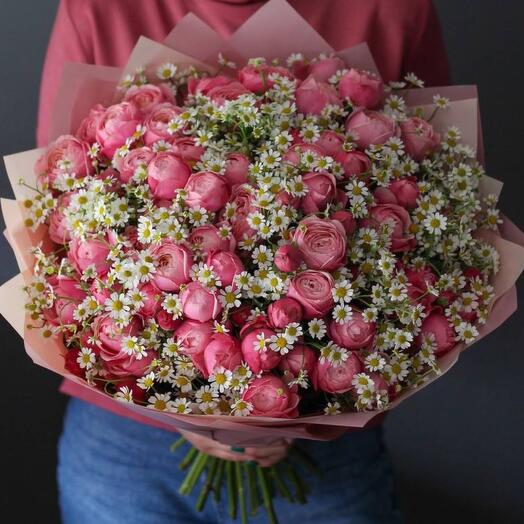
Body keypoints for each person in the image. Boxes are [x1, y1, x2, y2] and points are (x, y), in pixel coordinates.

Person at [37, 1, 449, 522]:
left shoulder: (395, 9)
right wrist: (182, 399)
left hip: (329, 447)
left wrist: (284, 409)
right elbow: (53, 209)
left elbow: (434, 180)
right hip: (125, 442)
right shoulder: (94, 7)